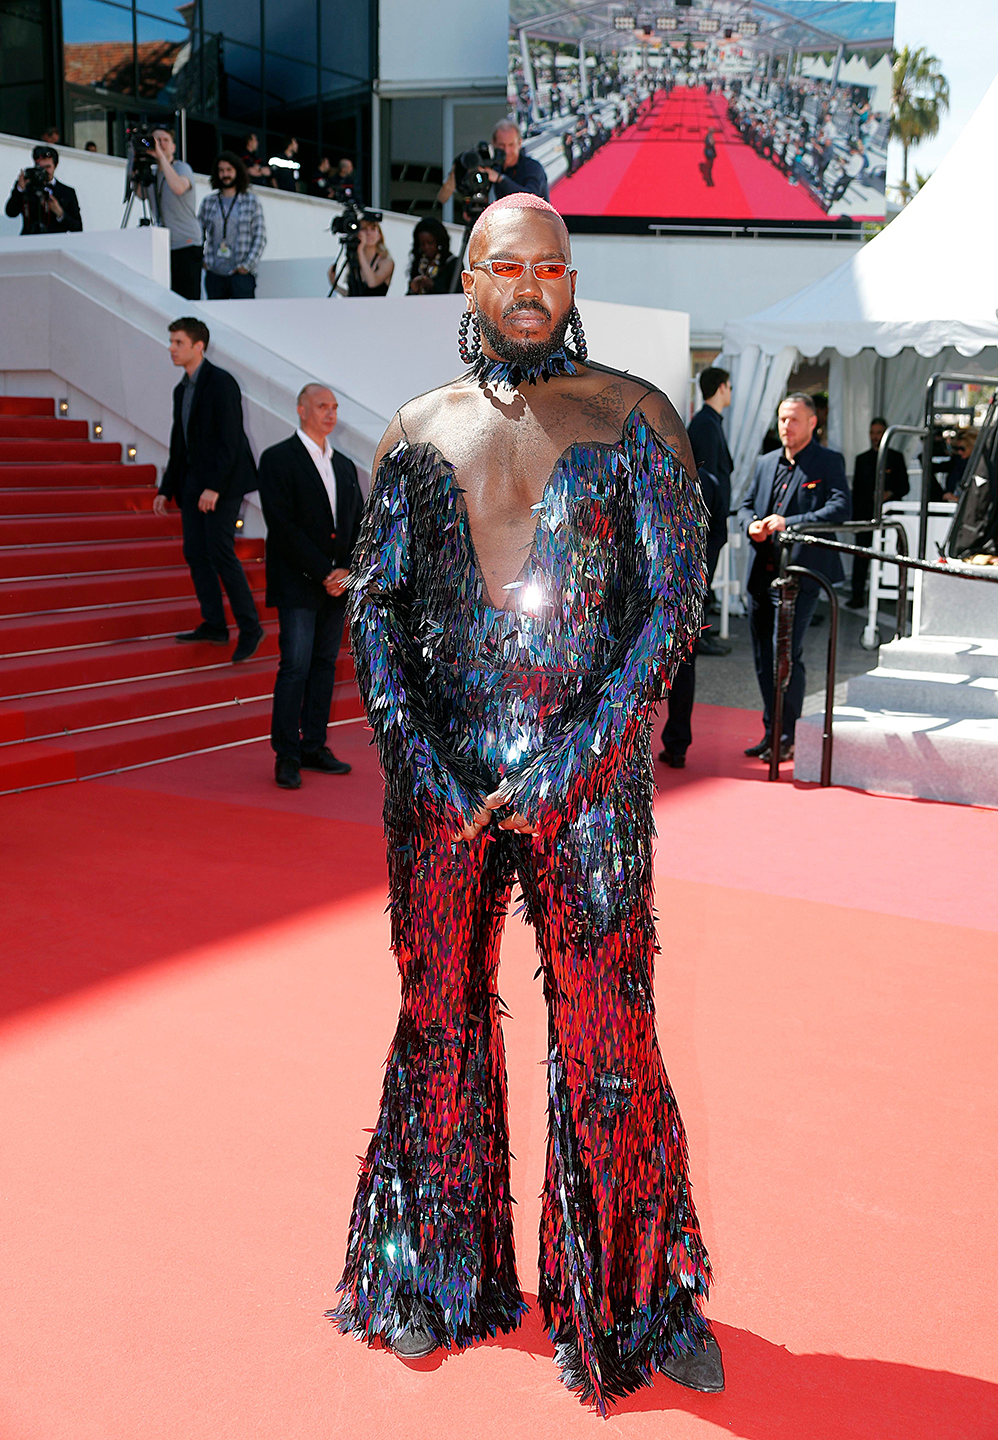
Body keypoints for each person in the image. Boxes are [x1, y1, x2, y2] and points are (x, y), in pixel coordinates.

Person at [330, 192, 723, 1413]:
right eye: (507, 265)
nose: (529, 285)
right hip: (440, 789)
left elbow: (673, 606)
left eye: (549, 265)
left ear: (569, 278)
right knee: (437, 1022)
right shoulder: (414, 428)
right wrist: (423, 766)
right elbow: (376, 612)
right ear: (471, 280)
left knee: (610, 1038)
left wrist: (575, 763)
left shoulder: (633, 416)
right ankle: (432, 1278)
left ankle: (635, 1298)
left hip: (587, 789)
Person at [258, 385, 364, 789]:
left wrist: (347, 571)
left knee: (323, 667)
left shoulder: (344, 466)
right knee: (295, 667)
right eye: (323, 406)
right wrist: (324, 571)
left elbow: (356, 525)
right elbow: (282, 527)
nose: (330, 414)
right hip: (299, 584)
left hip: (336, 586)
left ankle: (313, 746)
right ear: (302, 410)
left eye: (335, 407)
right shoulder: (277, 459)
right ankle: (286, 754)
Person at [738, 393, 850, 762]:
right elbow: (745, 506)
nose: (786, 426)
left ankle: (787, 735)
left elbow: (839, 507)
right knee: (761, 657)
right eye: (782, 419)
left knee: (786, 655)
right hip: (763, 574)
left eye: (794, 420)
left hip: (801, 574)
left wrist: (790, 523)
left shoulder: (827, 461)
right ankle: (772, 731)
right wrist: (751, 524)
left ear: (813, 422)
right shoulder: (766, 461)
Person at [153, 317, 264, 662]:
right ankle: (214, 624)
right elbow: (179, 442)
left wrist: (214, 488)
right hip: (193, 482)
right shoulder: (181, 389)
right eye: (171, 342)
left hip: (224, 483)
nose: (171, 349)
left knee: (220, 553)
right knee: (195, 553)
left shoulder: (222, 383)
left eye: (178, 343)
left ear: (198, 346)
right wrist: (165, 487)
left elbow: (230, 440)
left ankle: (250, 628)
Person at [659, 366, 732, 767]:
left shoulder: (680, 478)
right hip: (681, 580)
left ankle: (675, 742)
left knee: (680, 663)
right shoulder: (693, 473)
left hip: (681, 580)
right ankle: (673, 742)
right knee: (678, 663)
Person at [848, 416, 909, 608]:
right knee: (861, 555)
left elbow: (904, 486)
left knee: (891, 554)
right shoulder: (862, 459)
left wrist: (889, 494)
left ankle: (891, 593)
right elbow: (857, 491)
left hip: (890, 516)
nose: (875, 437)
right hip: (866, 515)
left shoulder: (896, 458)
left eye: (879, 433)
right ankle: (857, 594)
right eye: (872, 433)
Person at [144, 125, 202, 301]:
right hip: (165, 246)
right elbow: (140, 194)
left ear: (174, 147)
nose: (160, 144)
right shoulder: (153, 174)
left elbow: (177, 187)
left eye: (165, 140)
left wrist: (161, 158)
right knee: (168, 299)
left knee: (188, 300)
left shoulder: (182, 168)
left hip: (187, 243)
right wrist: (135, 160)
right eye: (156, 141)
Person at [437, 119, 549, 209]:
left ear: (519, 143)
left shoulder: (533, 167)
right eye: (501, 145)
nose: (506, 150)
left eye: (511, 145)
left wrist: (500, 179)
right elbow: (443, 197)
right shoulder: (493, 166)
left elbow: (532, 199)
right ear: (494, 143)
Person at [198, 151, 266, 299]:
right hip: (215, 274)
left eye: (229, 170)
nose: (225, 174)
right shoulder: (208, 202)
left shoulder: (251, 201)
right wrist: (204, 261)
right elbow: (198, 232)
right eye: (221, 170)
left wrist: (247, 266)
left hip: (241, 274)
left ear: (237, 172)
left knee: (244, 319)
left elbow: (260, 237)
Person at [5, 145, 82, 235]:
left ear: (55, 166)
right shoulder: (27, 188)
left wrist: (59, 212)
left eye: (47, 167)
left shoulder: (67, 192)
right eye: (40, 168)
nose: (44, 172)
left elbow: (78, 227)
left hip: (56, 242)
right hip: (29, 241)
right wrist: (20, 189)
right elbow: (11, 212)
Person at [331, 214, 393, 297]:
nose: (369, 233)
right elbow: (353, 296)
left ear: (379, 235)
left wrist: (360, 250)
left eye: (373, 229)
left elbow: (372, 283)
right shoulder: (354, 261)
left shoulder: (386, 262)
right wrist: (335, 286)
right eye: (364, 229)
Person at [406, 217, 457, 294]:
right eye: (422, 244)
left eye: (430, 243)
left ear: (438, 241)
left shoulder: (452, 263)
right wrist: (413, 289)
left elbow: (457, 294)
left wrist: (432, 285)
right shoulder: (418, 263)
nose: (426, 247)